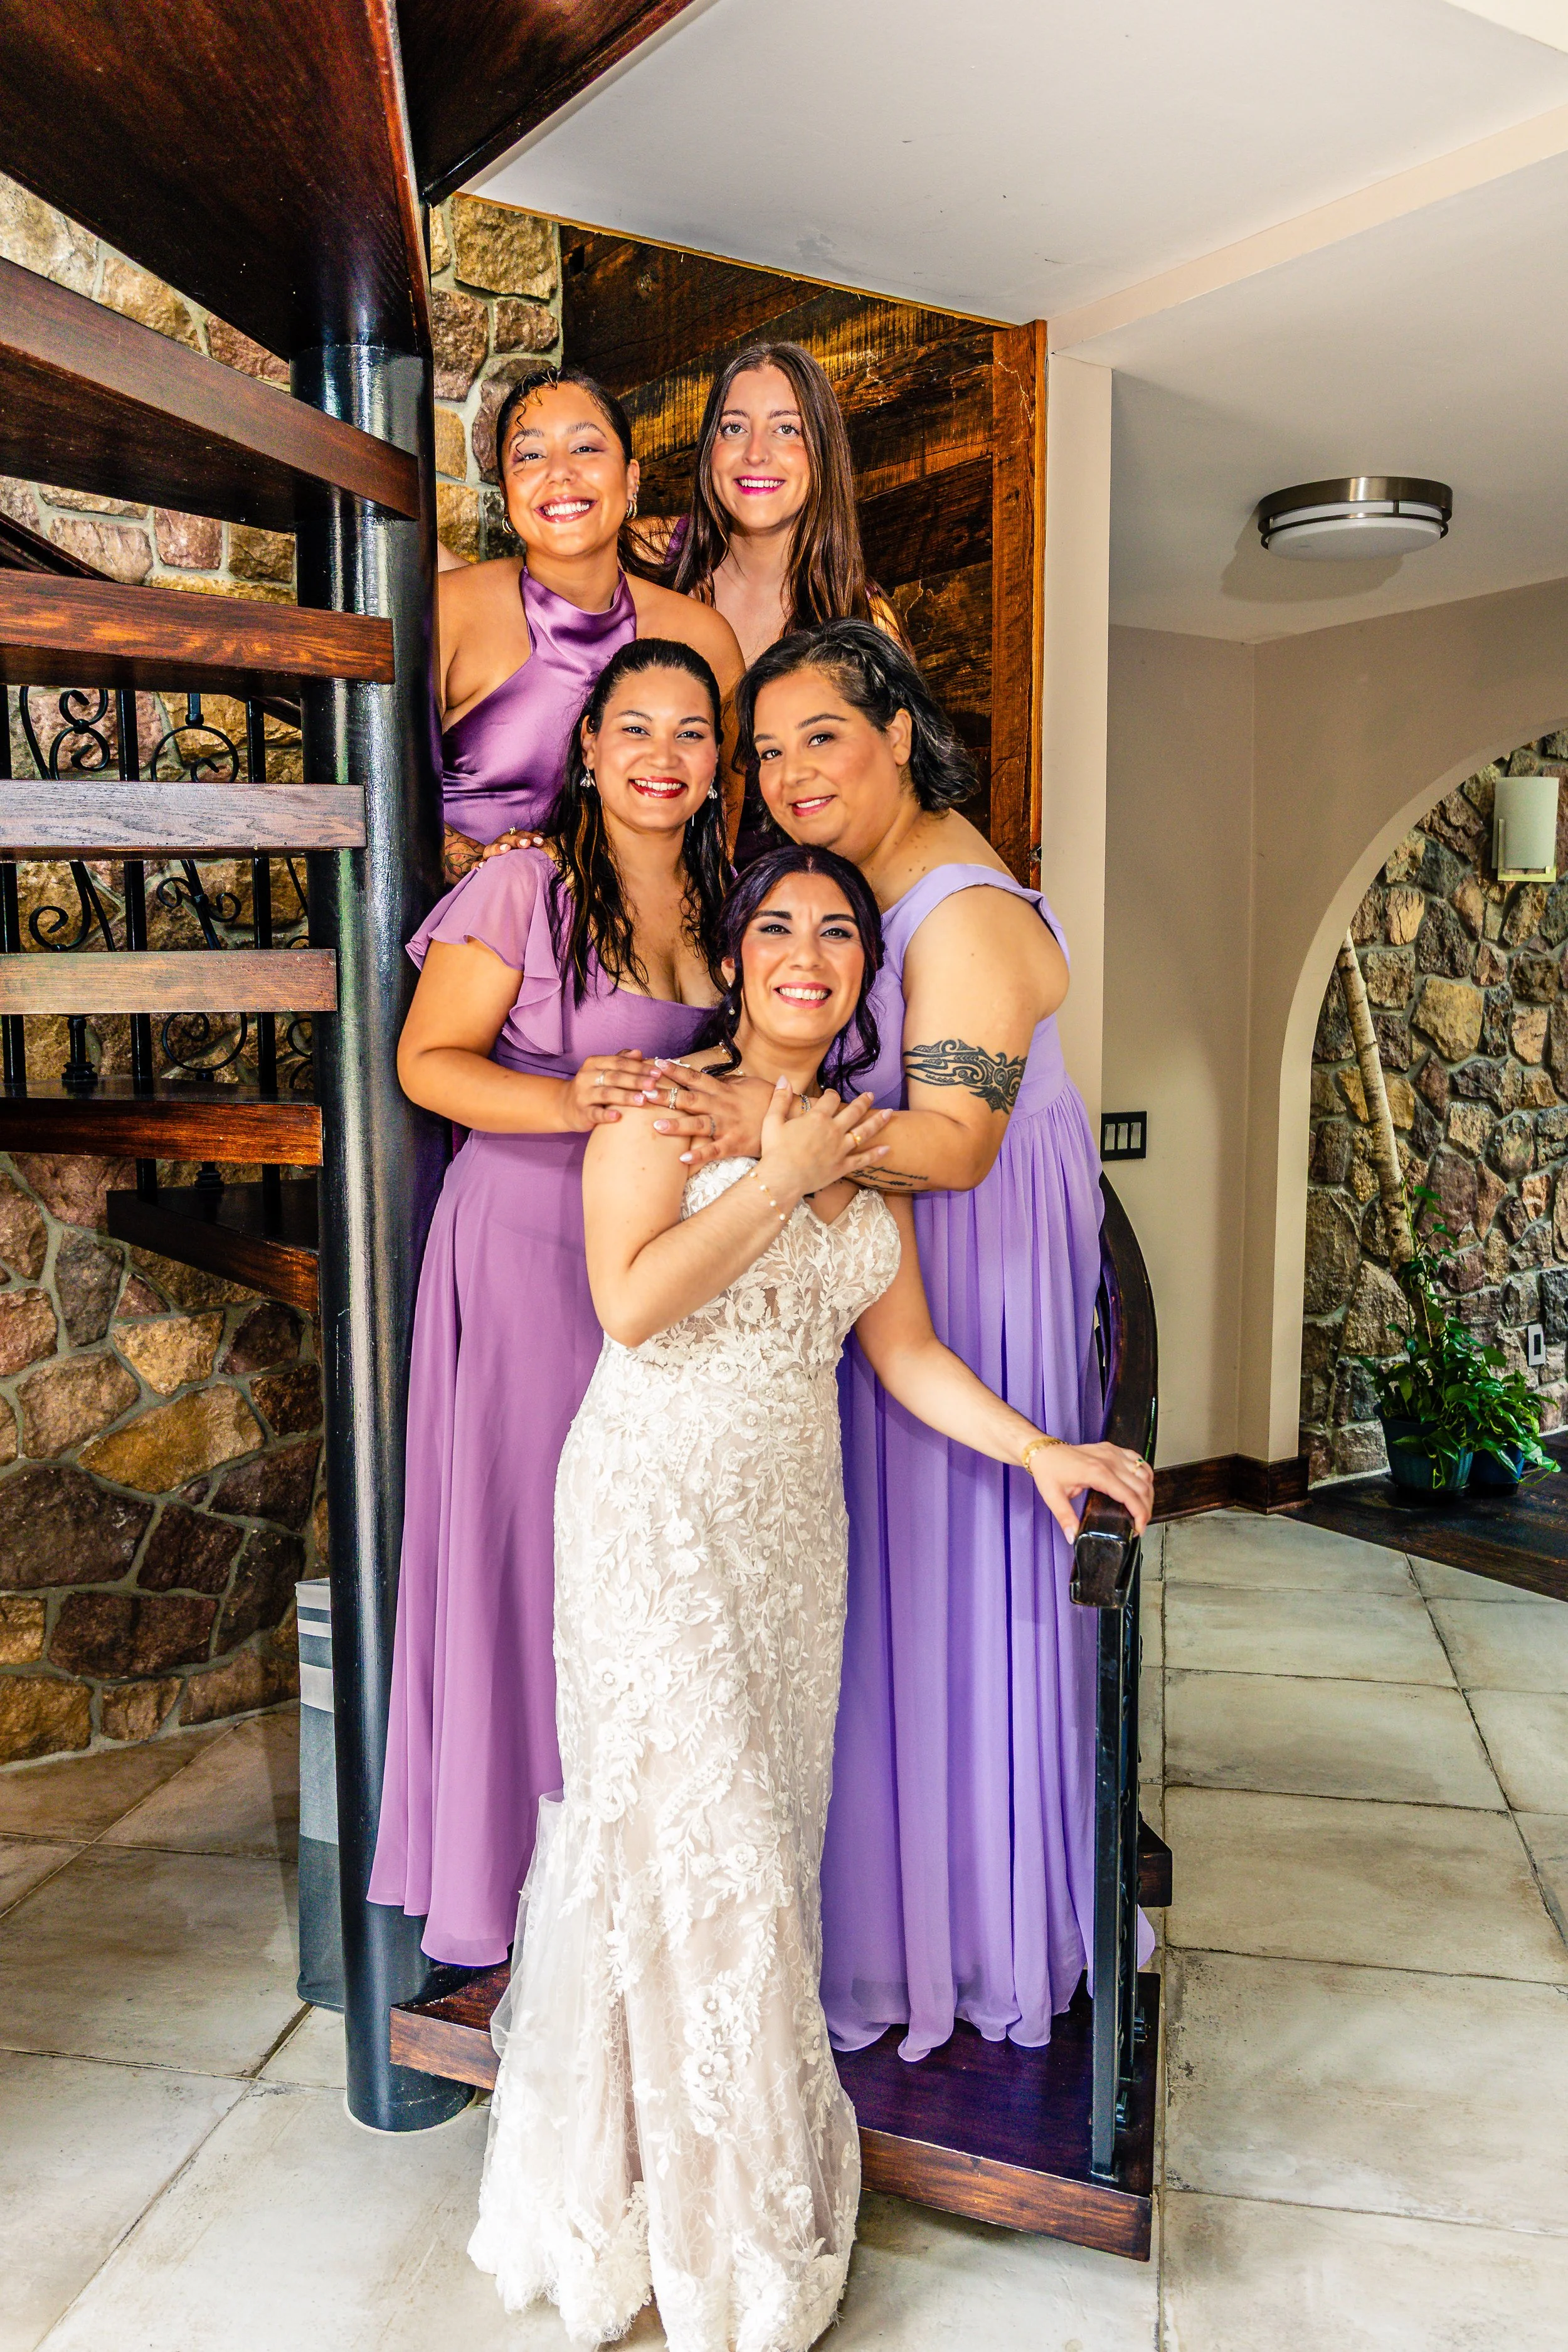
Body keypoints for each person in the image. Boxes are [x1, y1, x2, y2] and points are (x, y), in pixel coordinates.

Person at [469, 844, 1152, 2351]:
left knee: (752, 1841)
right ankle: (703, 2225)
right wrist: (774, 1177)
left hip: (791, 1528)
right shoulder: (658, 1103)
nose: (808, 948)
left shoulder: (866, 1145)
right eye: (776, 922)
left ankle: (697, 2191)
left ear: (863, 972)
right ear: (737, 951)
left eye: (837, 929)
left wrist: (1039, 1444)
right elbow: (633, 1304)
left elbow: (901, 1356)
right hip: (653, 1507)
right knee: (693, 1847)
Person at [649, 619, 1119, 2063]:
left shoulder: (958, 909)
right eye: (770, 747)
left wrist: (749, 1123)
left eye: (823, 737)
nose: (791, 771)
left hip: (970, 1276)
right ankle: (875, 1908)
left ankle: (965, 1928)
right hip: (889, 1261)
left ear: (899, 733)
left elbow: (961, 1144)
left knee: (951, 1589)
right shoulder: (862, 885)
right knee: (881, 1598)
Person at [369, 640, 761, 1968]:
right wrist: (561, 1099)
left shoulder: (731, 906)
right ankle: (509, 1879)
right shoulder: (524, 888)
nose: (662, 755)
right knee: (533, 1552)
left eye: (691, 733)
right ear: (586, 750)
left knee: (638, 1564)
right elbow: (426, 1064)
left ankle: (629, 1868)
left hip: (659, 1260)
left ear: (717, 766)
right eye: (634, 728)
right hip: (527, 1245)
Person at [437, 366, 743, 876]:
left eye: (585, 448)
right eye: (530, 455)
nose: (559, 472)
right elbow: (382, 804)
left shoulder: (703, 639)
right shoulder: (449, 610)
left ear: (631, 479)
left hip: (635, 938)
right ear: (507, 496)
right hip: (465, 936)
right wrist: (495, 874)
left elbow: (716, 843)